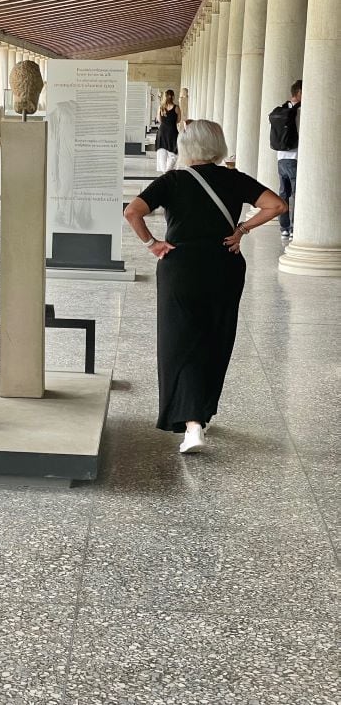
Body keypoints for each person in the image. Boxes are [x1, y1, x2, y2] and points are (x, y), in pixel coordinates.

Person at [123, 120, 286, 454]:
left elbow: (132, 212)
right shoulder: (235, 178)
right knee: (215, 338)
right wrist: (242, 229)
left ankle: (191, 424)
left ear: (186, 146)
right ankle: (201, 414)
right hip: (224, 265)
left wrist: (153, 244)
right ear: (218, 146)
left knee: (179, 342)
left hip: (181, 268)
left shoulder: (172, 180)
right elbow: (277, 205)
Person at [273, 79, 302, 239]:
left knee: (283, 193)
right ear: (300, 93)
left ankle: (284, 228)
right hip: (295, 157)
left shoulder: (282, 109)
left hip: (281, 157)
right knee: (297, 194)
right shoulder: (300, 111)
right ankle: (294, 228)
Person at [155, 89, 181, 172]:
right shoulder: (176, 108)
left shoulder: (161, 107)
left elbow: (159, 120)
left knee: (161, 153)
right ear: (173, 97)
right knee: (173, 154)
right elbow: (178, 120)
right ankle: (167, 171)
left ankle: (164, 172)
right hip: (172, 132)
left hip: (162, 132)